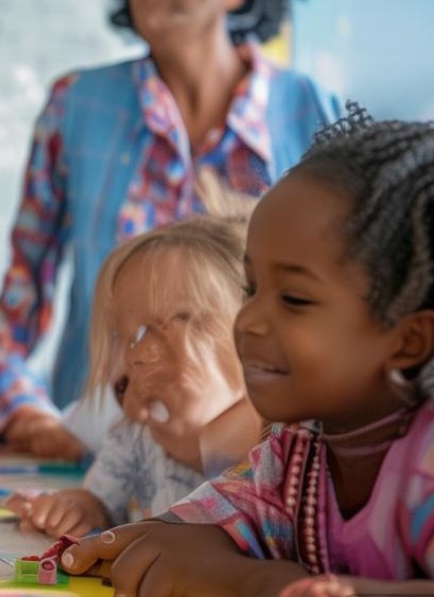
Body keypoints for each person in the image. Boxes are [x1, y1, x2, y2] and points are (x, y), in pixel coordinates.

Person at [0, 0, 340, 460]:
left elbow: (340, 293)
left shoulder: (308, 110)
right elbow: (21, 293)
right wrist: (24, 411)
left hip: (261, 452)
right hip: (97, 447)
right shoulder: (76, 104)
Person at [62, 106, 434, 596]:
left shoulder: (424, 461)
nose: (251, 320)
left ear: (408, 340)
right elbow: (188, 534)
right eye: (251, 289)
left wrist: (273, 582)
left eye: (295, 299)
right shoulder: (290, 457)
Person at [7, 212, 260, 536]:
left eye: (165, 329)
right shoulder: (132, 440)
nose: (135, 356)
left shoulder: (271, 461)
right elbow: (97, 503)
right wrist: (73, 509)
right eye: (120, 336)